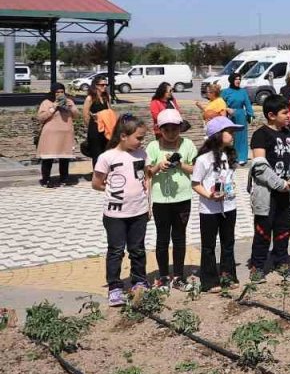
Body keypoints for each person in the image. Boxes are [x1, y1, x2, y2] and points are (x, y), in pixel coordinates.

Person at [92, 114, 149, 307]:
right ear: (123, 136)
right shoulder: (107, 157)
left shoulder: (141, 154)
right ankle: (114, 287)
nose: (141, 142)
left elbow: (145, 179)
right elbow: (96, 183)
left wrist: (148, 205)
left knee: (138, 249)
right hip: (115, 214)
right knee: (116, 250)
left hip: (139, 211)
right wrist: (114, 190)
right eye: (138, 138)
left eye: (143, 138)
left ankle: (139, 281)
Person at [248, 94, 290, 280]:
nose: (289, 116)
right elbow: (259, 167)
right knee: (263, 231)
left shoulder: (289, 134)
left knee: (283, 229)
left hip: (286, 192)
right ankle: (258, 266)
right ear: (271, 115)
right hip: (267, 193)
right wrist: (279, 184)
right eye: (285, 112)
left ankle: (281, 261)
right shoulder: (260, 135)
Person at [145, 108, 197, 290]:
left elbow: (196, 169)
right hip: (161, 201)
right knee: (162, 238)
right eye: (166, 129)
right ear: (160, 129)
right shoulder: (153, 147)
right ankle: (163, 276)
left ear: (180, 128)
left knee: (180, 237)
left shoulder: (188, 144)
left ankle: (179, 276)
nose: (171, 133)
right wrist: (159, 166)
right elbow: (147, 172)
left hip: (183, 199)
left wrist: (180, 164)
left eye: (175, 129)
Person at [192, 116, 241, 291]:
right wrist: (209, 196)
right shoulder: (203, 159)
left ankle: (228, 276)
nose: (233, 135)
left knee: (228, 243)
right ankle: (210, 281)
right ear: (217, 135)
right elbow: (195, 183)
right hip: (209, 209)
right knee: (208, 245)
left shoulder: (229, 155)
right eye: (229, 131)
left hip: (229, 206)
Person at [37, 83, 76, 187]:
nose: (59, 94)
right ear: (53, 93)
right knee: (48, 158)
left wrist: (70, 107)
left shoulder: (69, 101)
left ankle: (64, 178)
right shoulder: (46, 102)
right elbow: (41, 118)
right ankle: (46, 180)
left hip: (65, 134)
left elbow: (76, 115)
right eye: (57, 92)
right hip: (50, 135)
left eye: (62, 92)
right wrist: (53, 108)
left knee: (64, 158)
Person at [221, 72, 254, 164]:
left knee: (241, 137)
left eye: (239, 79)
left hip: (240, 115)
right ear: (231, 80)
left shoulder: (243, 91)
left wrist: (250, 114)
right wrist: (227, 109)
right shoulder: (225, 92)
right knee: (229, 137)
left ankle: (241, 157)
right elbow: (220, 104)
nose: (238, 81)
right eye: (236, 79)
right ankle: (229, 156)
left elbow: (247, 104)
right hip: (229, 116)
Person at [82, 74, 114, 169]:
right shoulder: (90, 98)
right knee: (96, 153)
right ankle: (97, 174)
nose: (104, 87)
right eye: (101, 85)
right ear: (96, 85)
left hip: (105, 127)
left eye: (105, 85)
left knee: (106, 151)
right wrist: (92, 125)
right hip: (95, 127)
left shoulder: (106, 97)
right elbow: (85, 114)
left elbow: (109, 111)